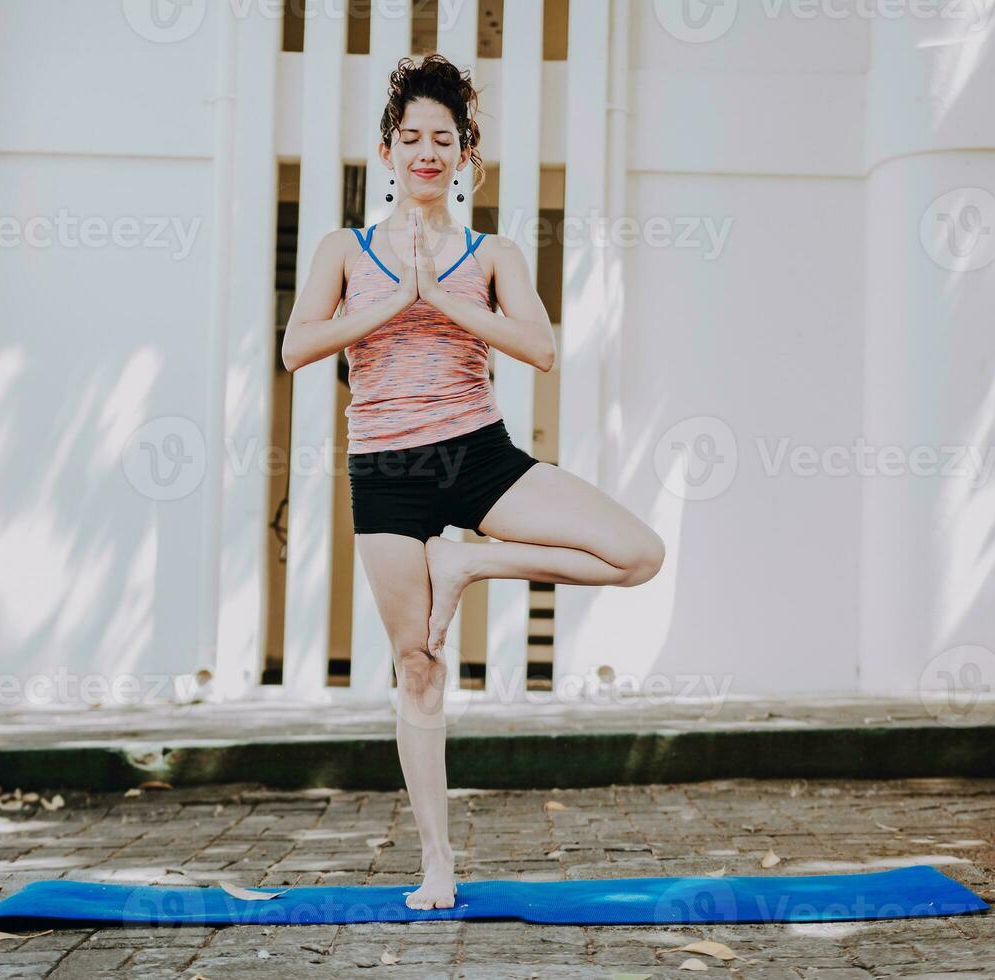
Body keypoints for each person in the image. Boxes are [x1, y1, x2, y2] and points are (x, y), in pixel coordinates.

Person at [281, 53, 665, 911]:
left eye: (443, 139)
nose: (426, 151)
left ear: (465, 158)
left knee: (639, 553)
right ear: (387, 152)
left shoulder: (496, 253)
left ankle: (471, 564)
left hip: (480, 454)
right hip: (388, 469)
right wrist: (395, 299)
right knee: (418, 668)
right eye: (410, 137)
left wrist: (444, 298)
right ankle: (437, 861)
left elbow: (540, 347)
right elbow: (297, 347)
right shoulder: (345, 249)